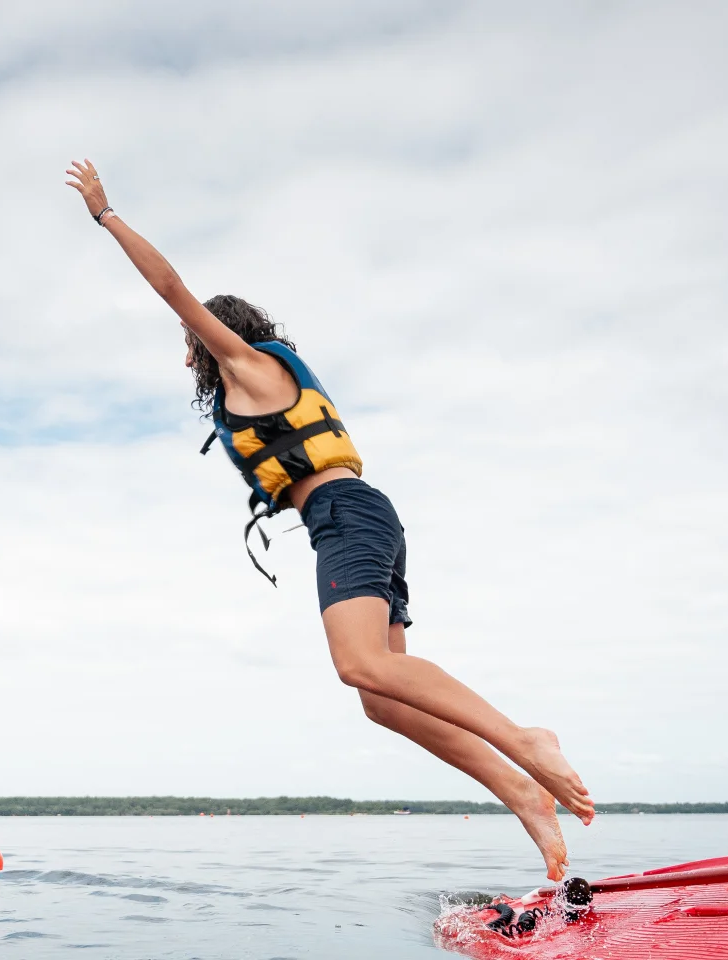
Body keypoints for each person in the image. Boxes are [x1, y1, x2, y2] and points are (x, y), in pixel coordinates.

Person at [65, 160, 594, 879]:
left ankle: (523, 740)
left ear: (218, 335)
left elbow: (169, 289)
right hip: (361, 518)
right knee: (381, 698)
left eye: (196, 341)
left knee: (358, 666)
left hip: (347, 515)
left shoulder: (247, 365)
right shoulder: (265, 380)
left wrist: (106, 216)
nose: (189, 350)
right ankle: (520, 792)